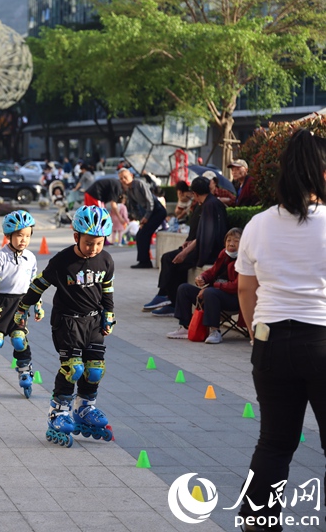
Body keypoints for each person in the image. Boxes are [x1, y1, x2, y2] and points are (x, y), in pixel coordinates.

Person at [234, 129, 326, 531]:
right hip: (321, 340)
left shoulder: (258, 224)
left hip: (271, 341)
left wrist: (257, 333)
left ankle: (258, 523)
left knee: (274, 442)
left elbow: (245, 288)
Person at [16, 205, 116, 447]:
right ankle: (58, 412)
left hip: (94, 321)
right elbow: (39, 284)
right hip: (67, 322)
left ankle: (84, 408)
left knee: (95, 369)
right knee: (74, 369)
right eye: (89, 243)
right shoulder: (62, 261)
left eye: (99, 243)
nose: (94, 248)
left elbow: (107, 289)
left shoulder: (105, 259)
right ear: (76, 237)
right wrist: (23, 307)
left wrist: (109, 314)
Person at [0, 210, 43, 399]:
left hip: (21, 305)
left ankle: (25, 370)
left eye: (27, 235)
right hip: (1, 304)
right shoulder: (1, 256)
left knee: (19, 340)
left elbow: (34, 284)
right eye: (19, 235)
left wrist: (37, 305)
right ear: (8, 236)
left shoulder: (31, 257)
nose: (23, 240)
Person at [143, 176, 228, 316]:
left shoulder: (210, 205)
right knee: (174, 262)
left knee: (170, 259)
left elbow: (206, 236)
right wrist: (188, 243)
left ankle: (166, 296)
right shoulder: (207, 203)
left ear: (195, 193)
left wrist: (185, 252)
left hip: (208, 252)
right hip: (202, 247)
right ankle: (171, 300)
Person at [168, 228, 243, 343]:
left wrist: (213, 287)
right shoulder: (224, 254)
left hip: (234, 299)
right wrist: (202, 277)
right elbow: (212, 272)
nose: (231, 244)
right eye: (228, 240)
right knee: (184, 289)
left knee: (209, 292)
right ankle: (186, 327)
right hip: (213, 294)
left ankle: (215, 331)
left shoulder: (244, 260)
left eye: (236, 241)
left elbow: (237, 286)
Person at [119, 168, 167, 269]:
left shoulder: (139, 184)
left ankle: (145, 261)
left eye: (125, 177)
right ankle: (144, 261)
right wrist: (141, 219)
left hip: (157, 211)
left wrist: (146, 217)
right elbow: (134, 207)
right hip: (148, 214)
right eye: (121, 178)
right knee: (140, 235)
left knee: (144, 234)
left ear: (131, 176)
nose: (123, 180)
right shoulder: (129, 190)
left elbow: (150, 201)